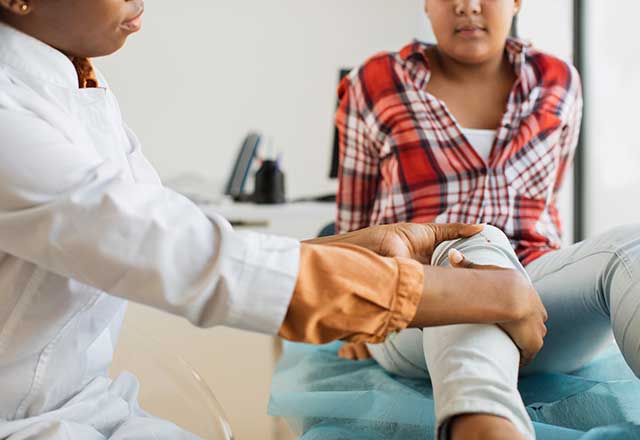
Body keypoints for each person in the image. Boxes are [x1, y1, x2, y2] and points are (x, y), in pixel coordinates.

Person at [0, 0, 548, 439]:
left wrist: (359, 248)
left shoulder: (76, 84)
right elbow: (178, 252)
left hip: (83, 406)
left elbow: (175, 228)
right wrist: (485, 295)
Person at [336, 0, 639, 438]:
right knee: (470, 251)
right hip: (418, 301)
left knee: (629, 247)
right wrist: (351, 317)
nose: (467, 6)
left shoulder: (560, 81)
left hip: (536, 295)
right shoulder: (375, 81)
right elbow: (353, 218)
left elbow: (549, 200)